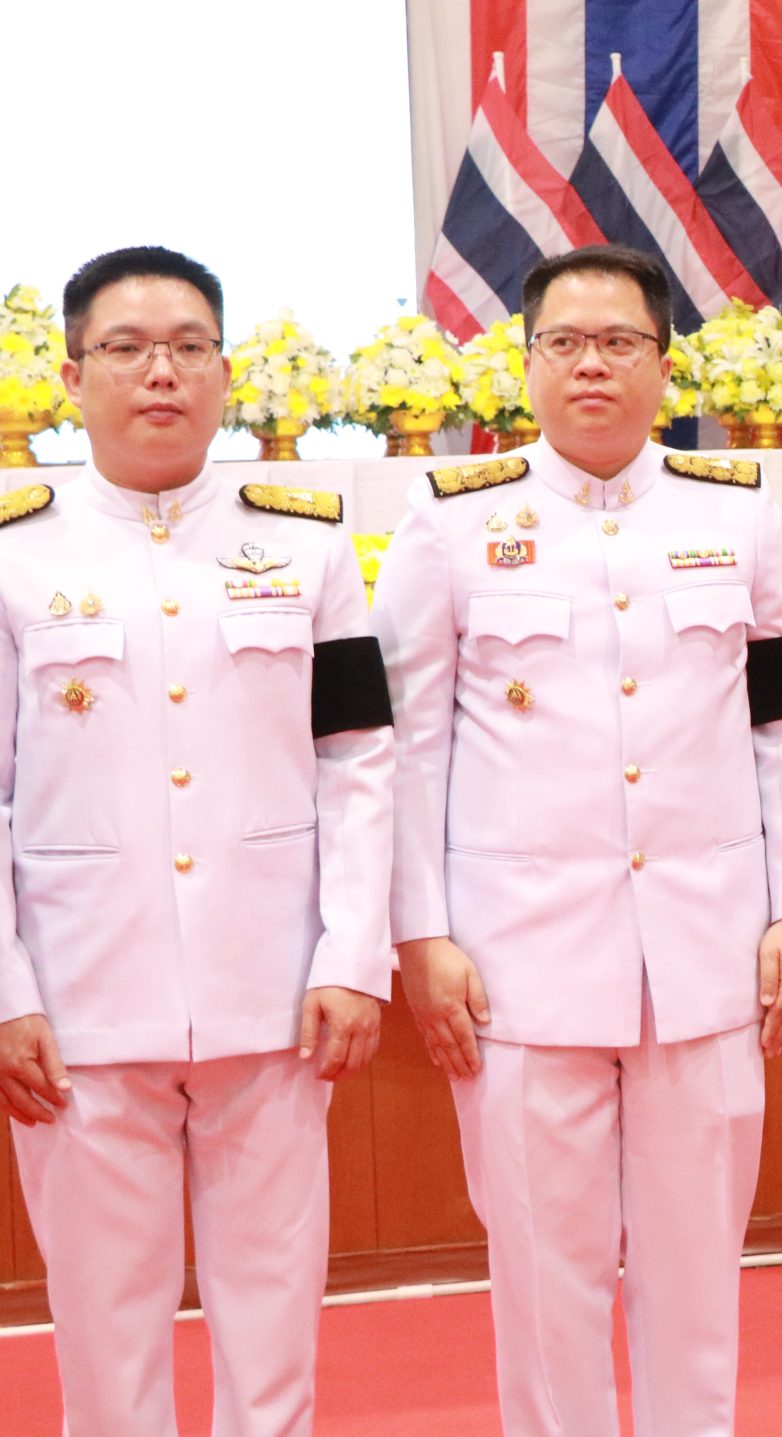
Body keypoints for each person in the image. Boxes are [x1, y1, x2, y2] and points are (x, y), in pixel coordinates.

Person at [371, 243, 782, 1436]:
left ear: (663, 365)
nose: (592, 365)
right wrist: (419, 934)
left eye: (619, 342)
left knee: (698, 1287)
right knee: (544, 1284)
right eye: (565, 343)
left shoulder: (737, 516)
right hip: (517, 968)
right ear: (525, 364)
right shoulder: (450, 525)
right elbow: (406, 748)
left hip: (707, 958)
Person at [0, 246, 392, 1436]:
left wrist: (351, 955)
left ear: (225, 373)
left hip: (272, 993)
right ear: (72, 379)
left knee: (274, 1327)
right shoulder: (14, 550)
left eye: (187, 348)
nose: (160, 372)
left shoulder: (309, 542)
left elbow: (358, 758)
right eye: (125, 350)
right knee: (105, 1337)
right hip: (78, 1002)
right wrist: (6, 990)